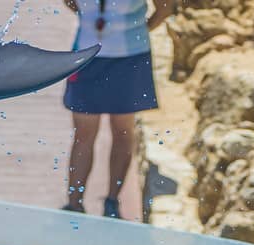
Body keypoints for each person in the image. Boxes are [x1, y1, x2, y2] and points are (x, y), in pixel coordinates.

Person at [62, 0, 174, 219]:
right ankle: (74, 204)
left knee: (122, 133)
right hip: (87, 55)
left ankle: (112, 201)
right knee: (84, 134)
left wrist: (139, 29)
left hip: (129, 59)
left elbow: (165, 7)